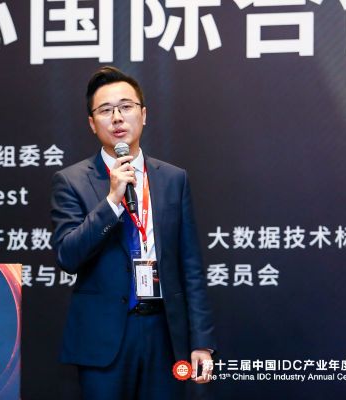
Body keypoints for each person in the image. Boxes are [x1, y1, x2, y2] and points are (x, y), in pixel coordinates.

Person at [50, 66, 216, 399]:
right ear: (92, 123)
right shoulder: (71, 181)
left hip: (163, 334)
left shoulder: (173, 179)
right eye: (105, 110)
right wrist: (112, 201)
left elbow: (191, 266)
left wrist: (201, 341)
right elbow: (68, 255)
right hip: (105, 339)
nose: (117, 117)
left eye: (126, 106)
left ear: (144, 115)